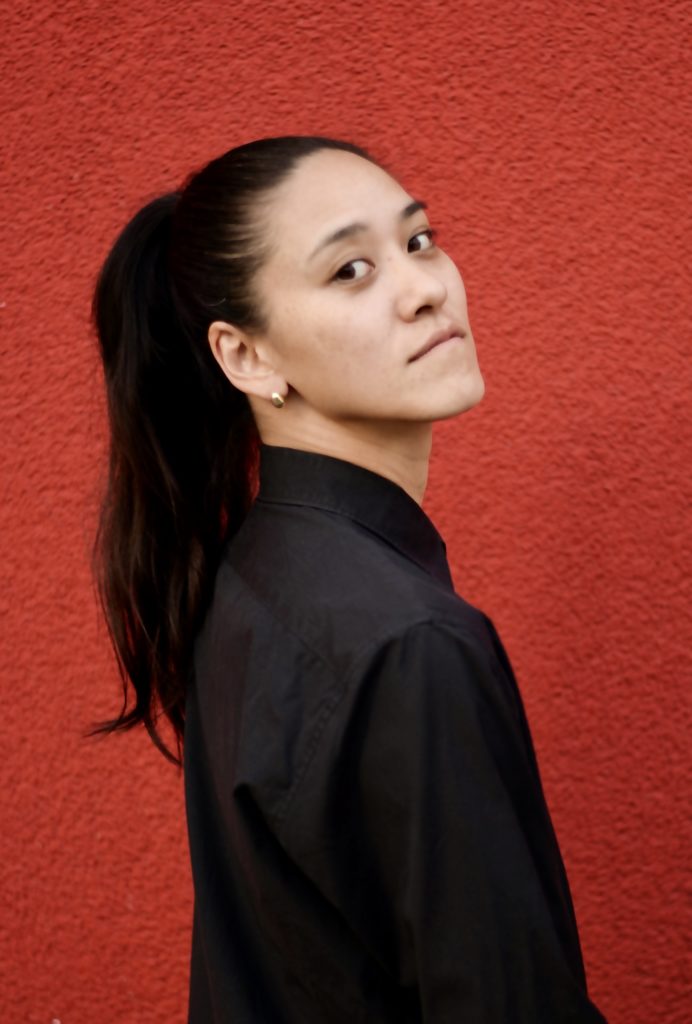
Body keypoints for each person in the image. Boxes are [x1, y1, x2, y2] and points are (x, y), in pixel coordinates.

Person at [92, 136, 608, 1023]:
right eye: (350, 270)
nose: (424, 288)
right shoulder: (411, 644)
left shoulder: (254, 570)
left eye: (419, 240)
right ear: (248, 357)